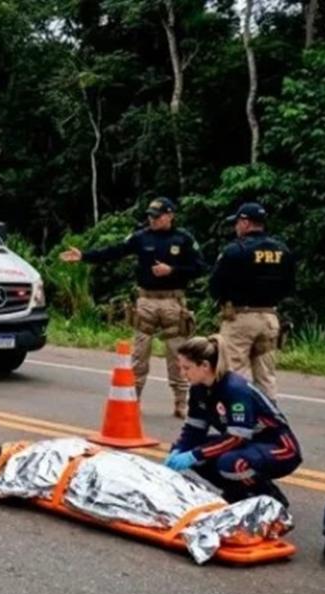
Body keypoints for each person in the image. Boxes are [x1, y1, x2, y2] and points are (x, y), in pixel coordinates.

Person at [60, 197, 207, 418]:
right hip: (146, 300)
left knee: (178, 355)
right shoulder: (141, 237)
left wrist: (173, 270)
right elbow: (114, 251)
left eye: (157, 216)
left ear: (170, 216)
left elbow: (201, 267)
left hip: (173, 302)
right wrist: (84, 256)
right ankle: (132, 399)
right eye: (150, 216)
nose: (152, 220)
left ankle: (180, 402)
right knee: (139, 355)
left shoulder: (183, 239)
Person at [165, 336, 301, 507]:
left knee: (231, 462)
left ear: (205, 366)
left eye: (187, 368)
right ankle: (236, 490)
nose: (182, 374)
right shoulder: (199, 390)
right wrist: (179, 449)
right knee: (191, 449)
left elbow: (237, 438)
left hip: (279, 447)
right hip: (247, 443)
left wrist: (194, 455)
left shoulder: (234, 389)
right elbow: (193, 430)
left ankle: (269, 496)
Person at [209, 202, 294, 401]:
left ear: (246, 223)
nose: (236, 227)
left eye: (238, 223)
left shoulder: (234, 250)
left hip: (240, 318)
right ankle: (269, 420)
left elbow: (215, 285)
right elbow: (289, 286)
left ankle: (240, 421)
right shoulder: (282, 250)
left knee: (235, 372)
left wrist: (224, 300)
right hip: (270, 317)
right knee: (266, 375)